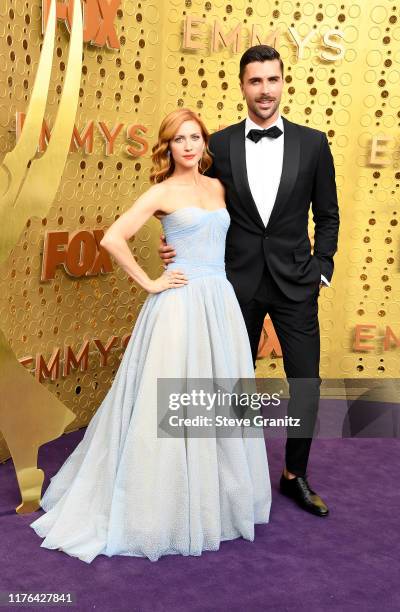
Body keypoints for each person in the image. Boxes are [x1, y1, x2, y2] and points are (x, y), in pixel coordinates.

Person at [29, 108, 272, 563]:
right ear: (168, 146)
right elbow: (113, 238)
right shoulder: (160, 192)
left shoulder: (219, 187)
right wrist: (153, 281)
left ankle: (212, 500)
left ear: (204, 144)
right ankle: (161, 505)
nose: (188, 145)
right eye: (179, 138)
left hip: (218, 302)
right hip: (179, 306)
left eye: (195, 137)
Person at [159, 46, 340, 517]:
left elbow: (328, 213)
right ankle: (227, 477)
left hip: (296, 280)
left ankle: (293, 476)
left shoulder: (313, 143)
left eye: (272, 80)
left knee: (306, 383)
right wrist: (174, 243)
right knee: (231, 383)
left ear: (284, 83)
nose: (264, 90)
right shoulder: (216, 145)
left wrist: (322, 266)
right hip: (233, 281)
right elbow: (195, 202)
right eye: (255, 81)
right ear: (242, 86)